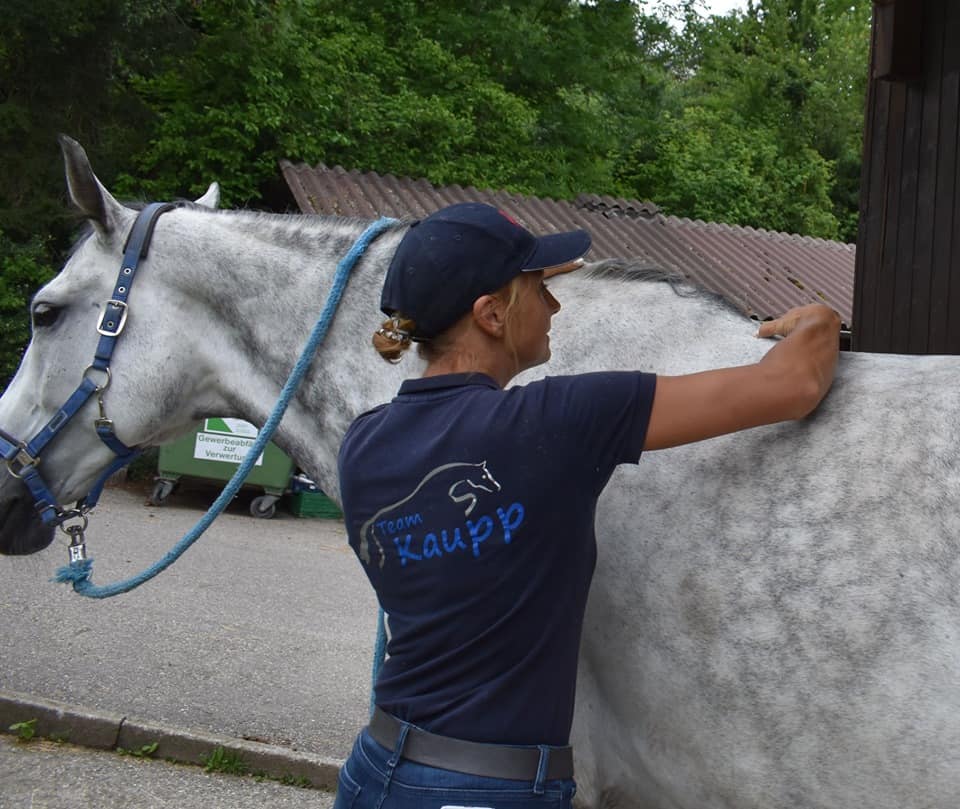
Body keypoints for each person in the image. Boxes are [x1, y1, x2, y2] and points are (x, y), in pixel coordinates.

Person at [335, 202, 840, 809]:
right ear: (491, 315)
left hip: (374, 769)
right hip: (483, 791)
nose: (554, 307)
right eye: (538, 289)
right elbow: (792, 386)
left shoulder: (362, 442)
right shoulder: (555, 420)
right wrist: (821, 322)